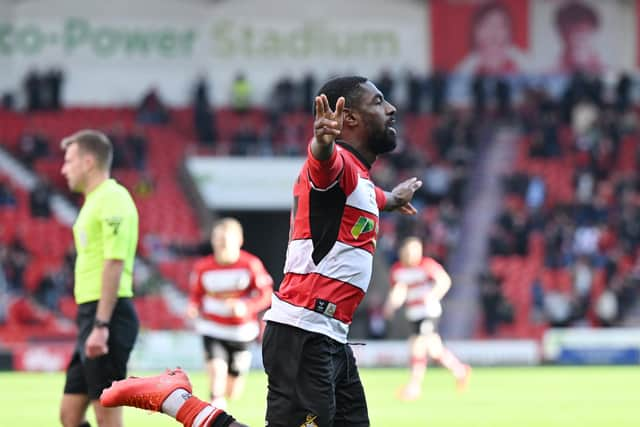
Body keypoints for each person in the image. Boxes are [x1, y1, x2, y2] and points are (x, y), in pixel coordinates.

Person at [261, 75, 423, 426]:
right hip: (304, 332)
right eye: (378, 102)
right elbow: (323, 164)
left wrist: (395, 199)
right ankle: (179, 402)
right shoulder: (337, 166)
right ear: (348, 118)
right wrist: (321, 142)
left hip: (331, 336)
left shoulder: (362, 181)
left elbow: (377, 198)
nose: (391, 108)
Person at [59, 130, 140, 427]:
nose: (63, 169)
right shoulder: (92, 202)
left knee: (107, 418)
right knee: (69, 415)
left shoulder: (113, 198)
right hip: (91, 315)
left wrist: (101, 325)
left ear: (89, 162)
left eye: (69, 161)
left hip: (108, 315)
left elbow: (114, 262)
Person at [186, 218, 273, 410]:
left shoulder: (250, 264)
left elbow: (266, 295)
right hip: (212, 328)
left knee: (233, 392)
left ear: (239, 241)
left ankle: (222, 400)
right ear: (213, 242)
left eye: (227, 240)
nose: (222, 244)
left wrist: (247, 307)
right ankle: (216, 414)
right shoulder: (203, 267)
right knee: (217, 374)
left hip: (242, 333)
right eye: (219, 240)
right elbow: (196, 294)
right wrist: (192, 307)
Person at [383, 237, 471, 401]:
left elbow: (444, 280)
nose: (412, 255)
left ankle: (414, 387)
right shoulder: (398, 270)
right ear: (403, 252)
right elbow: (399, 290)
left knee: (417, 345)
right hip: (413, 314)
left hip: (428, 312)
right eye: (409, 251)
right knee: (434, 350)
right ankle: (460, 371)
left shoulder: (426, 265)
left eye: (415, 251)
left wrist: (433, 295)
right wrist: (391, 304)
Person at [455, 1, 528, 76]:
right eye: (486, 25)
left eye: (500, 26)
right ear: (475, 32)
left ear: (509, 32)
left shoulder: (525, 66)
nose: (493, 33)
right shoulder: (463, 71)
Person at [553, 1, 603, 74]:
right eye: (571, 31)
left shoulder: (603, 71)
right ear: (561, 33)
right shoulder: (554, 72)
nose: (577, 38)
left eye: (583, 31)